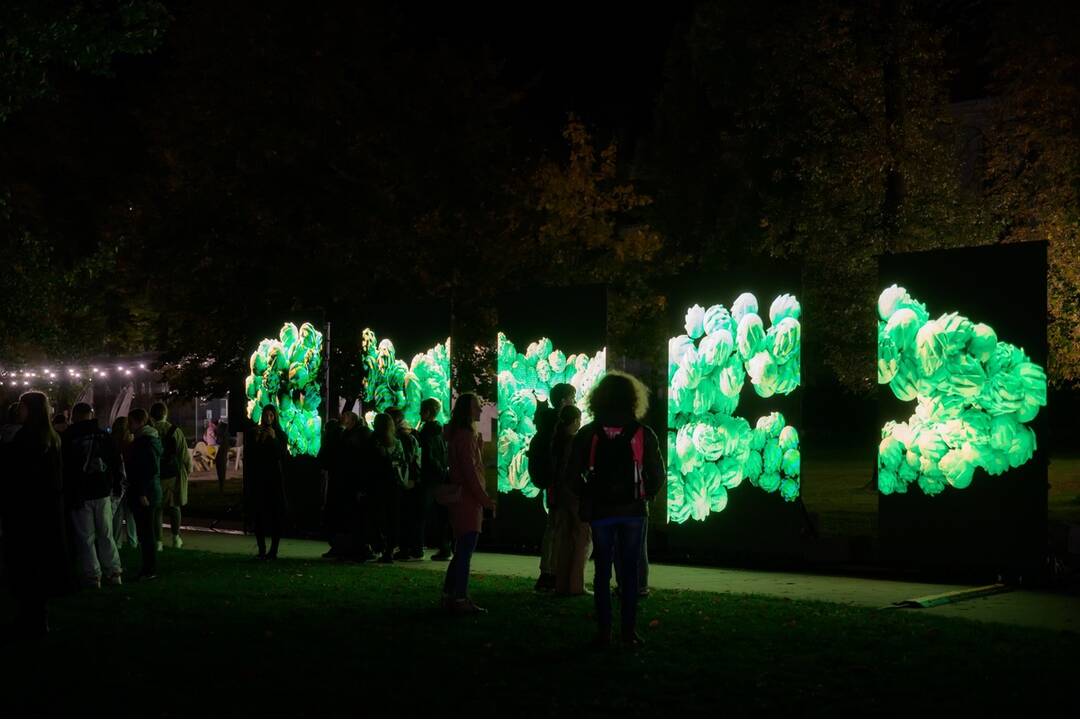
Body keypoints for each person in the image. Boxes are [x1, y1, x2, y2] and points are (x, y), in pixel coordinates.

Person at [570, 372, 664, 648]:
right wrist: (647, 494)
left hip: (601, 511)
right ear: (634, 399)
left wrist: (587, 493)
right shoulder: (643, 434)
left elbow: (571, 474)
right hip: (633, 510)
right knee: (630, 572)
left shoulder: (588, 433)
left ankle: (603, 631)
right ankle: (628, 632)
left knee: (602, 571)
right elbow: (657, 474)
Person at [0, 391, 69, 638]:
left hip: (26, 514)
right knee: (39, 568)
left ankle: (29, 619)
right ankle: (38, 618)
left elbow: (15, 477)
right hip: (46, 514)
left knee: (25, 567)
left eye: (22, 406)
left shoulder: (26, 439)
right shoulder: (51, 439)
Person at [441, 393, 495, 614]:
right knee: (465, 550)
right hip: (468, 500)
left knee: (461, 549)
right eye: (476, 407)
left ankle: (450, 594)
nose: (480, 411)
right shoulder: (465, 436)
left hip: (465, 498)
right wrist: (485, 499)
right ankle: (460, 597)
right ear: (467, 410)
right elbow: (470, 472)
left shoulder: (461, 435)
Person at [62, 403, 122, 588]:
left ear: (74, 416)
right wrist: (116, 484)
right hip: (102, 490)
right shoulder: (103, 435)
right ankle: (113, 572)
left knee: (86, 537)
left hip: (80, 493)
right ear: (91, 414)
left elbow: (64, 468)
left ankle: (92, 576)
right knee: (106, 533)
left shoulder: (68, 437)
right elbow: (115, 461)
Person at [528, 382, 577, 591]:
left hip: (552, 484)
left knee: (554, 527)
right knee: (556, 527)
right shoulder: (556, 428)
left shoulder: (545, 425)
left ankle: (550, 572)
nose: (574, 401)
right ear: (565, 400)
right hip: (558, 484)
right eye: (572, 398)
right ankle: (549, 573)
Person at [550, 404, 591, 596]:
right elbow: (576, 470)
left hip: (560, 493)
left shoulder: (556, 440)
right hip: (573, 494)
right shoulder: (573, 442)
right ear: (575, 421)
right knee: (582, 538)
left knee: (565, 540)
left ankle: (562, 584)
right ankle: (576, 584)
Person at [245, 405, 289, 559]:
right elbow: (250, 456)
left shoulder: (281, 435)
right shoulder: (254, 433)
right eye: (266, 415)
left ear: (275, 417)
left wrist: (274, 438)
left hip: (274, 479)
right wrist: (257, 440)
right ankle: (262, 549)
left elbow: (282, 456)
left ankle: (274, 550)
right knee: (259, 514)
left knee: (275, 514)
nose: (268, 418)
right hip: (259, 479)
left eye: (271, 415)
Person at [127, 408, 163, 580]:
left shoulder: (143, 442)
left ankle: (149, 569)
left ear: (139, 422)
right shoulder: (152, 439)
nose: (129, 426)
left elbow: (145, 469)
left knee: (146, 532)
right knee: (147, 531)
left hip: (145, 493)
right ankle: (149, 567)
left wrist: (141, 493)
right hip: (151, 490)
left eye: (131, 422)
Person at [150, 402, 192, 550]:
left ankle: (158, 542)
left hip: (155, 475)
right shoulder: (175, 431)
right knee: (174, 507)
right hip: (173, 475)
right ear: (165, 413)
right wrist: (188, 469)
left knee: (157, 510)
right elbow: (184, 454)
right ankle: (176, 538)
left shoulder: (150, 431)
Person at [366, 413, 406, 563]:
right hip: (394, 484)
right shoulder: (397, 443)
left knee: (378, 516)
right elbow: (402, 461)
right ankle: (389, 548)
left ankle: (381, 547)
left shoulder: (373, 442)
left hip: (377, 485)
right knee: (392, 517)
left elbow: (368, 465)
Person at [417, 398, 452, 561]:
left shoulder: (427, 431)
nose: (419, 413)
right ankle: (444, 547)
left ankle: (417, 547)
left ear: (428, 412)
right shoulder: (439, 430)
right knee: (440, 515)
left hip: (429, 477)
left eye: (422, 410)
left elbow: (427, 455)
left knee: (421, 513)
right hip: (439, 476)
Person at [387, 407, 423, 561]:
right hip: (411, 480)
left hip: (406, 481)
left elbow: (406, 460)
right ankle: (412, 548)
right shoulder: (410, 434)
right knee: (409, 516)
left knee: (405, 516)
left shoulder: (402, 437)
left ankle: (405, 548)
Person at [109, 416, 138, 549]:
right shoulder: (132, 442)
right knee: (130, 513)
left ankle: (117, 541)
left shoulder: (111, 442)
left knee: (117, 513)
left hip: (117, 481)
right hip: (130, 481)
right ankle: (133, 541)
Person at [214, 420, 231, 493]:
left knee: (221, 469)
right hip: (222, 454)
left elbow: (218, 441)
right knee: (221, 469)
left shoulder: (223, 436)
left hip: (221, 454)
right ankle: (221, 486)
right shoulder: (224, 436)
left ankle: (221, 487)